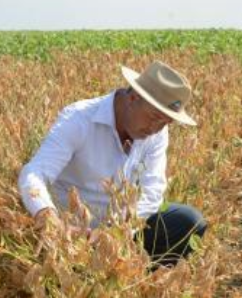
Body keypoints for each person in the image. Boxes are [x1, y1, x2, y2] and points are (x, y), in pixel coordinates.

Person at [18, 60, 208, 267]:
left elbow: (152, 191)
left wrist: (115, 231)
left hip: (121, 228)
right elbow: (34, 173)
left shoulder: (157, 130)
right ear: (134, 97)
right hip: (71, 230)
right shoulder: (79, 119)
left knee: (189, 222)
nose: (156, 128)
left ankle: (137, 280)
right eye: (154, 117)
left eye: (166, 122)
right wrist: (49, 218)